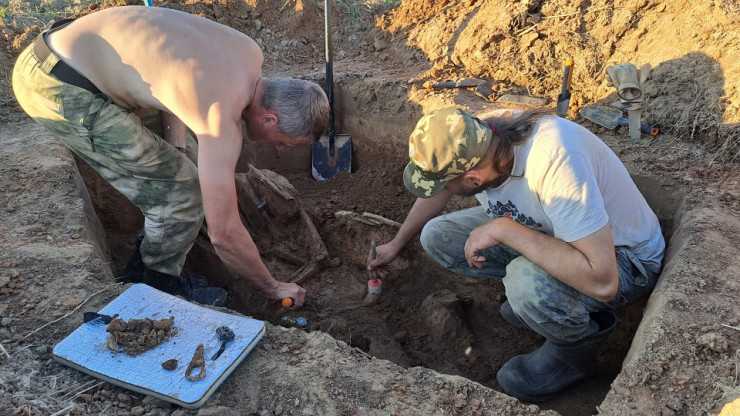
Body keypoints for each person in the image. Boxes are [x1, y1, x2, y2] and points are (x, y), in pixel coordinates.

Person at [12, 6, 329, 308]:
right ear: (270, 119)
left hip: (70, 50)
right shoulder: (220, 118)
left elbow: (176, 77)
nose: (281, 150)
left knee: (185, 164)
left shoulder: (248, 52)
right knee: (183, 193)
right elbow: (224, 235)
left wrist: (176, 149)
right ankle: (155, 290)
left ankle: (164, 243)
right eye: (286, 142)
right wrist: (273, 287)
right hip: (56, 86)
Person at [368, 107, 665, 402]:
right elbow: (442, 188)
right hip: (552, 231)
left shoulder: (555, 162)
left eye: (446, 183)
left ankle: (573, 354)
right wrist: (396, 243)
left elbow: (604, 282)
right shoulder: (481, 135)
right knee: (438, 237)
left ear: (474, 179)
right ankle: (545, 303)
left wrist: (505, 230)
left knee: (524, 284)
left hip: (623, 258)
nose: (442, 190)